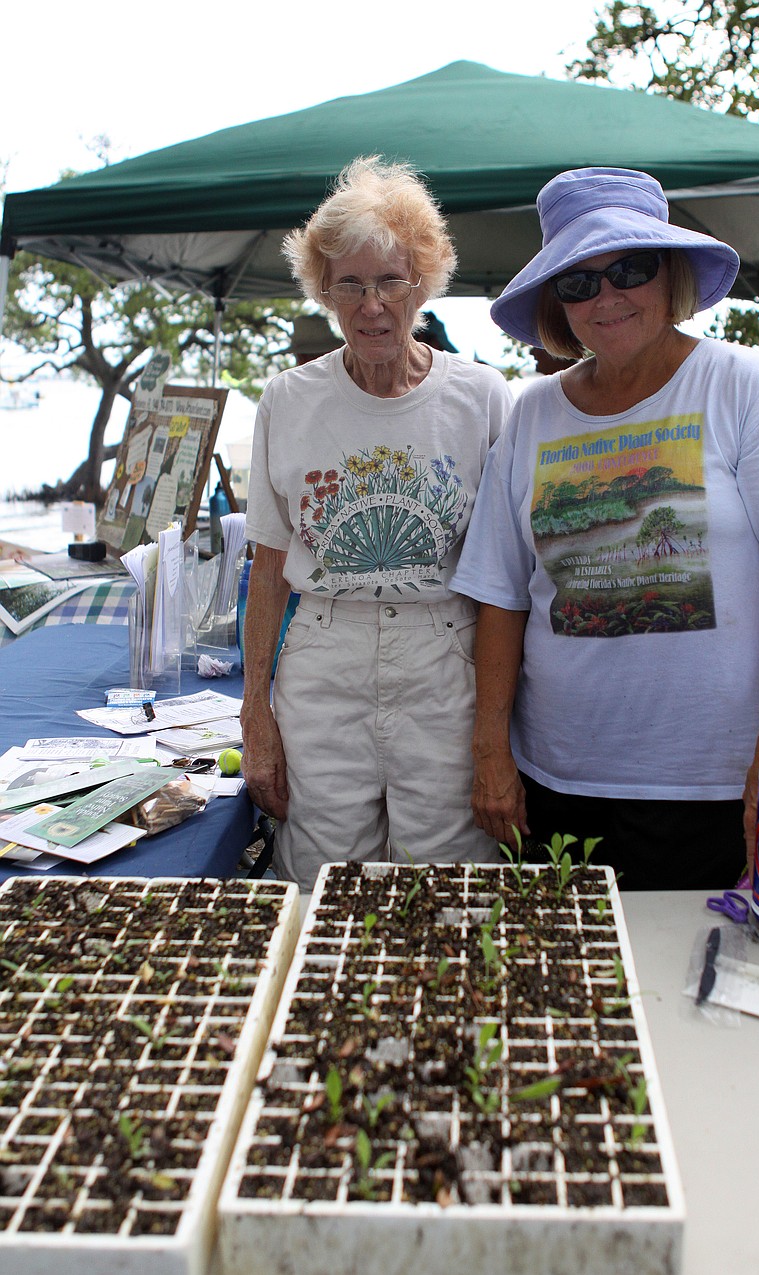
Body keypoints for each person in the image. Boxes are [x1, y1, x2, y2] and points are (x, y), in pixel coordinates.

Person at [451, 166, 759, 890]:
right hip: (557, 781)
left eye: (629, 268)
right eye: (579, 281)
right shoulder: (532, 415)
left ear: (671, 276)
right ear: (556, 302)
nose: (607, 296)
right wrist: (490, 751)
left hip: (719, 788)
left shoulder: (747, 391)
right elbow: (501, 596)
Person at [240, 155, 513, 891]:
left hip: (445, 653)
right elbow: (266, 568)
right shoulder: (287, 401)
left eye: (391, 280)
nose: (372, 304)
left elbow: (507, 577)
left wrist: (500, 728)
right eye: (350, 283)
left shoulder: (483, 398)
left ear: (423, 282)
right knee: (322, 875)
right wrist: (254, 717)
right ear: (321, 290)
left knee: (450, 878)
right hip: (325, 651)